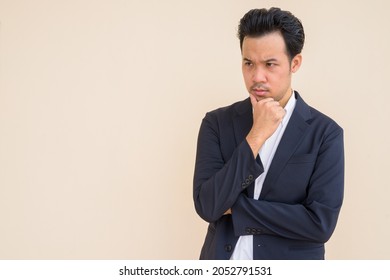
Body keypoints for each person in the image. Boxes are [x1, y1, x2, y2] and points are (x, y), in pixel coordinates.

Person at [193, 7, 344, 260]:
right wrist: (256, 136)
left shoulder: (325, 133)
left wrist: (235, 208)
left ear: (294, 63)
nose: (256, 77)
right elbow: (208, 206)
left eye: (269, 64)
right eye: (248, 63)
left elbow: (319, 224)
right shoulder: (216, 123)